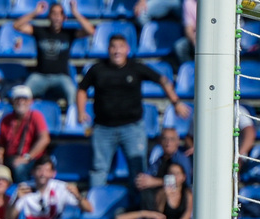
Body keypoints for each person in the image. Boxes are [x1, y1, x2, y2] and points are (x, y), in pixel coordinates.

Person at [76, 34, 189, 193]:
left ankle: (137, 207)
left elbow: (162, 80)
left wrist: (175, 102)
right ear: (108, 49)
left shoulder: (135, 67)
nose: (117, 51)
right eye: (113, 47)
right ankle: (95, 202)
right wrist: (80, 112)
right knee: (98, 169)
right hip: (103, 128)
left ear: (127, 49)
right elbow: (81, 89)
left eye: (120, 47)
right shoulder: (97, 69)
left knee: (137, 170)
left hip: (132, 128)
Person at [13, 1, 93, 107]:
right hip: (40, 76)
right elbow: (17, 25)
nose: (56, 17)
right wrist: (35, 12)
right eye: (53, 14)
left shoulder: (69, 33)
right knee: (23, 94)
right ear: (49, 16)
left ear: (64, 17)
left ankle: (74, 121)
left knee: (73, 95)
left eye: (59, 14)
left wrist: (75, 13)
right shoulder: (40, 31)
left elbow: (90, 31)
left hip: (61, 77)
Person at [0, 85, 50, 186]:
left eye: (25, 99)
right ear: (13, 101)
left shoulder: (36, 116)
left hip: (32, 160)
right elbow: (2, 144)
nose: (21, 102)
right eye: (18, 99)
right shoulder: (6, 120)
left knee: (19, 168)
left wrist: (27, 157)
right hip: (10, 159)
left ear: (30, 101)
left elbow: (44, 139)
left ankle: (22, 195)